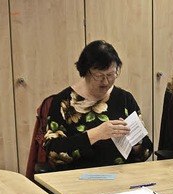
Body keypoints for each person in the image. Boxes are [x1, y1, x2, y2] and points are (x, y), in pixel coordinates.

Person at [43, 40, 153, 170]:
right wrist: (95, 134)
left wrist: (135, 142)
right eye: (99, 75)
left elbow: (146, 151)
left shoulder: (124, 99)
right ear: (85, 72)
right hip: (80, 178)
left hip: (122, 176)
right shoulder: (64, 102)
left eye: (111, 75)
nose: (106, 82)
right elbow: (53, 153)